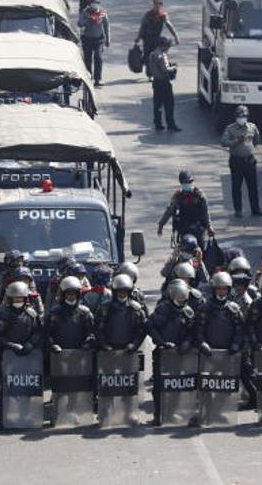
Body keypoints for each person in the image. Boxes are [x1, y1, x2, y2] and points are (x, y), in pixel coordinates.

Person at [0, 281, 42, 430]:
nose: (18, 301)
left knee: (27, 387)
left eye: (21, 299)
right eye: (15, 299)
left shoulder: (32, 314)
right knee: (7, 389)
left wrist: (30, 344)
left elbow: (38, 331)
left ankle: (25, 417)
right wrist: (10, 344)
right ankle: (3, 419)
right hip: (9, 356)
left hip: (28, 355)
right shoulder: (3, 314)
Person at [149, 280, 195, 425]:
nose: (179, 303)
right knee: (159, 386)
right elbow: (151, 327)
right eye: (177, 299)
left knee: (178, 385)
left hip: (180, 354)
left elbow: (192, 331)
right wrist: (162, 343)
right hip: (163, 353)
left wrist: (186, 344)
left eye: (182, 300)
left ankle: (174, 412)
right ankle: (159, 415)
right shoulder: (163, 309)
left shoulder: (188, 312)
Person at [221, 105, 262, 218]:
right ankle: (238, 210)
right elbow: (223, 142)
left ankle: (256, 209)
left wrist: (248, 149)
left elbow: (256, 139)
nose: (242, 118)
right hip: (236, 161)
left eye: (244, 116)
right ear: (236, 117)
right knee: (236, 186)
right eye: (240, 116)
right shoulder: (230, 128)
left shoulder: (252, 127)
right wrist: (236, 141)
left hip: (249, 160)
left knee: (253, 187)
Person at [95, 275, 148, 352]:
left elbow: (142, 330)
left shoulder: (136, 309)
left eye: (125, 291)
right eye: (119, 291)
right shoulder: (105, 308)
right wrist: (104, 344)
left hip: (129, 350)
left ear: (129, 291)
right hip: (109, 351)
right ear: (114, 291)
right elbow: (97, 329)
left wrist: (134, 345)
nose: (122, 293)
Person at [157, 170, 212, 244]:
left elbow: (205, 212)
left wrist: (209, 227)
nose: (187, 184)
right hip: (184, 228)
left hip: (199, 227)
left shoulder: (199, 195)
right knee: (184, 247)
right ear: (181, 183)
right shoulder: (178, 196)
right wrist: (161, 225)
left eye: (189, 182)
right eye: (185, 182)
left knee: (201, 248)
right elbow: (169, 211)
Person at [135, 0, 180, 79]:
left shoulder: (163, 14)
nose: (157, 5)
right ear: (153, 3)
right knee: (148, 56)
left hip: (156, 38)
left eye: (159, 3)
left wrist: (176, 36)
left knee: (157, 54)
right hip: (147, 39)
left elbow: (169, 25)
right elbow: (142, 27)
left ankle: (159, 69)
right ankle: (149, 74)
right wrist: (138, 38)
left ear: (162, 4)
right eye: (155, 3)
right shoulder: (148, 14)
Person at [148, 36, 181, 132]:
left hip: (156, 82)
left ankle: (158, 123)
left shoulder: (152, 54)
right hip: (164, 82)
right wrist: (174, 68)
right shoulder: (162, 55)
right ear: (164, 46)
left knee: (157, 104)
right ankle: (171, 124)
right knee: (169, 104)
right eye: (168, 46)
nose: (168, 48)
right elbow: (165, 69)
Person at [78, 0, 110, 87]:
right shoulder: (85, 13)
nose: (95, 5)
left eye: (96, 3)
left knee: (98, 58)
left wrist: (108, 39)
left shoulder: (102, 13)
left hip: (99, 40)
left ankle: (98, 79)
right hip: (87, 39)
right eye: (93, 3)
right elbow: (79, 23)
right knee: (87, 59)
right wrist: (88, 21)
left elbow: (107, 26)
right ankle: (88, 78)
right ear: (90, 4)